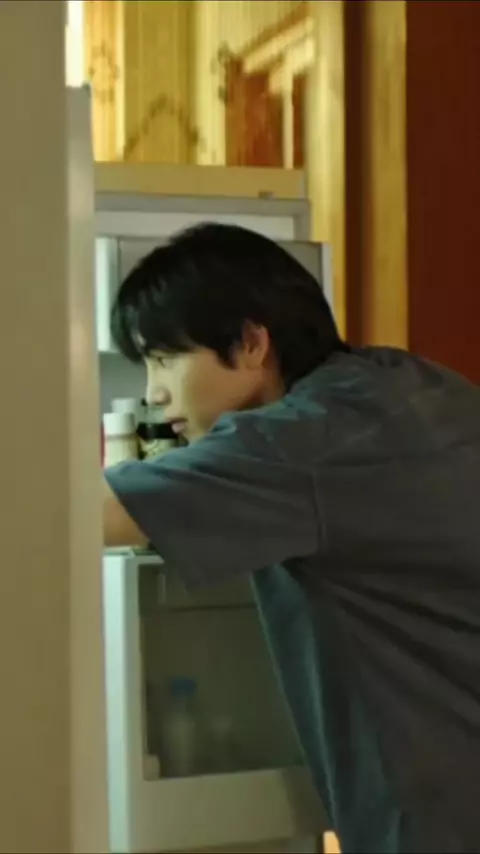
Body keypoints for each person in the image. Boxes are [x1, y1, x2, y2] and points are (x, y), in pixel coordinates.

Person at [103, 223, 480, 854]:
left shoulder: (300, 442)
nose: (153, 392)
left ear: (251, 343)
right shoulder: (407, 384)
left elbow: (81, 516)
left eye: (165, 358)